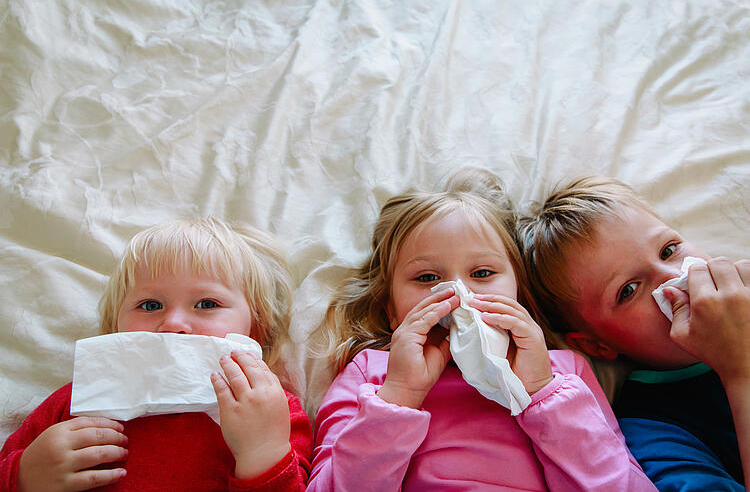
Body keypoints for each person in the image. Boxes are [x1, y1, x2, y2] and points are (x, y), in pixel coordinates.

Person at [306, 168, 656, 491]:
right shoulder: (371, 375)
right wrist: (398, 396)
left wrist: (541, 392)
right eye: (427, 278)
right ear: (392, 311)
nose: (460, 294)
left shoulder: (563, 373)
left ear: (519, 292)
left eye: (483, 274)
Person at [0, 217, 312, 492]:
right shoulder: (79, 399)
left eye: (207, 304)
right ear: (115, 330)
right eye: (150, 305)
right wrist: (24, 477)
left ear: (255, 329)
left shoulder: (270, 407)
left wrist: (263, 452)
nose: (173, 324)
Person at [518, 175, 750, 491]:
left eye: (669, 250)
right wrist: (740, 370)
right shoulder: (653, 429)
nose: (674, 277)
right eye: (628, 290)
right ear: (596, 345)